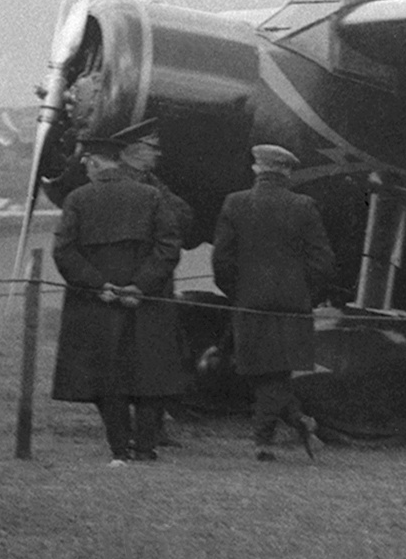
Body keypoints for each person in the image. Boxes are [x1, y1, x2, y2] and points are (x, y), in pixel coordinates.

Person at [51, 134, 185, 465]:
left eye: (87, 164)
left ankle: (119, 448)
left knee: (106, 376)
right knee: (150, 374)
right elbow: (168, 247)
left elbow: (64, 251)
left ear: (95, 163)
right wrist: (141, 286)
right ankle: (145, 448)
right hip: (147, 302)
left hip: (97, 304)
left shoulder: (77, 199)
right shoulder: (152, 196)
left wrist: (100, 285)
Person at [212, 144, 336, 462]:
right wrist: (307, 294)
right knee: (276, 371)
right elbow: (322, 261)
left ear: (257, 169)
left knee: (262, 371)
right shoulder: (304, 205)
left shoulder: (234, 203)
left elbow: (222, 260)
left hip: (249, 301)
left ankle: (264, 439)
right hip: (293, 303)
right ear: (287, 172)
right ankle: (297, 422)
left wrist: (237, 292)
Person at [114, 116, 194, 446]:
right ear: (132, 152)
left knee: (158, 357)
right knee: (129, 357)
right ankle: (133, 429)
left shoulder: (152, 182)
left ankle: (153, 427)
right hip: (130, 284)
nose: (157, 155)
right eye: (152, 148)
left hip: (155, 284)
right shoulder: (123, 185)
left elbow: (185, 216)